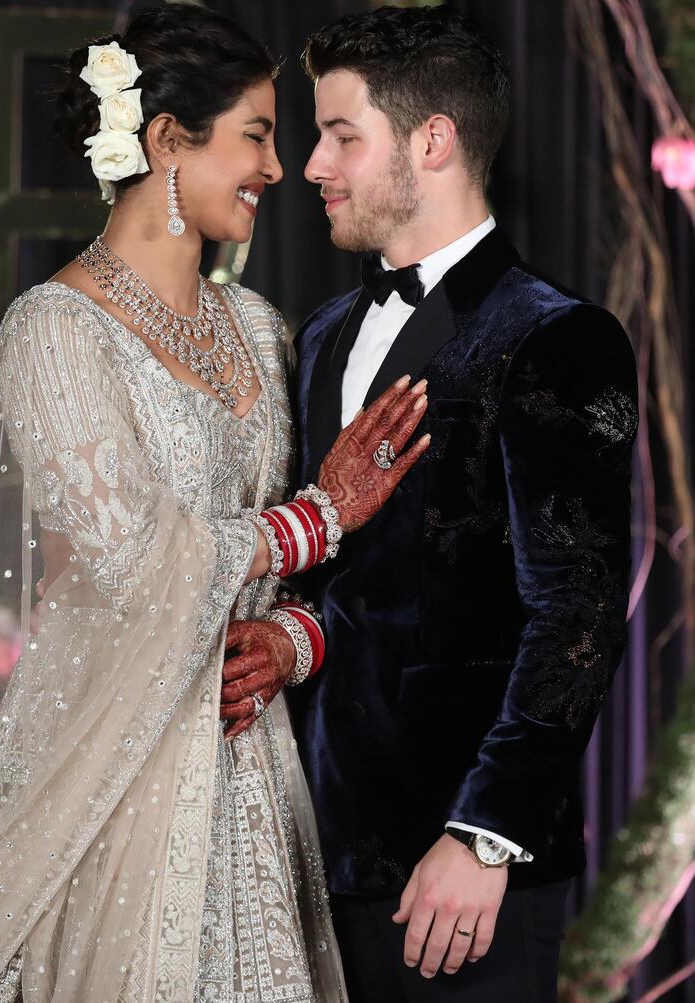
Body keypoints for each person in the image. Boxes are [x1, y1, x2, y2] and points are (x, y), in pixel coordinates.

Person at [0, 6, 431, 1001]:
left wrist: (296, 639)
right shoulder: (55, 331)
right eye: (258, 135)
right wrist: (319, 514)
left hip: (247, 763)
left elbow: (333, 567)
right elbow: (128, 561)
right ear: (165, 141)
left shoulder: (260, 327)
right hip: (105, 769)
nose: (278, 167)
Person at [224, 6, 638, 1002]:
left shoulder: (558, 337)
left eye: (339, 136)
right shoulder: (322, 334)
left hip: (458, 877)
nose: (310, 166)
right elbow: (352, 581)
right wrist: (286, 640)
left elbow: (573, 616)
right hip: (314, 860)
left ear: (433, 140)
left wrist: (482, 838)